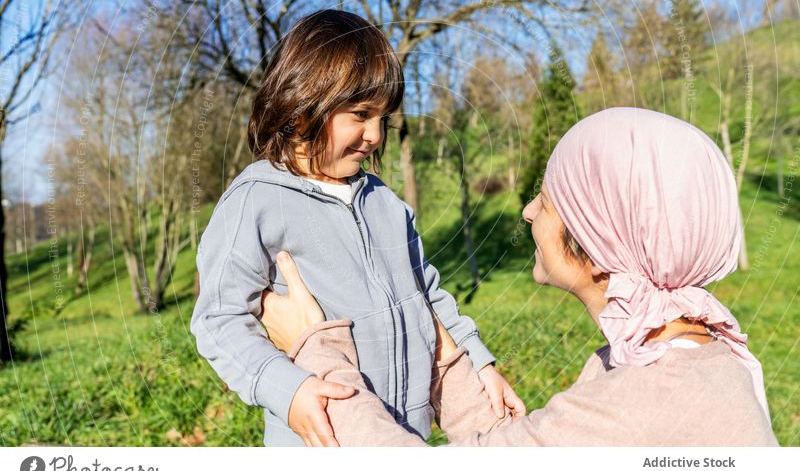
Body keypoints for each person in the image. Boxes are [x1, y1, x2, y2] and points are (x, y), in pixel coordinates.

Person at [261, 107, 779, 446]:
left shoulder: (645, 400)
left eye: (549, 201)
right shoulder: (695, 363)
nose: (530, 212)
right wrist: (447, 358)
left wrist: (315, 349)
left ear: (598, 246)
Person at [190, 9, 523, 447]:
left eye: (382, 119)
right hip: (324, 440)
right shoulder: (256, 200)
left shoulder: (385, 203)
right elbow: (219, 318)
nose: (375, 135)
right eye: (360, 114)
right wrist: (287, 390)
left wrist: (478, 363)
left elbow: (429, 295)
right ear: (305, 100)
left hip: (402, 436)